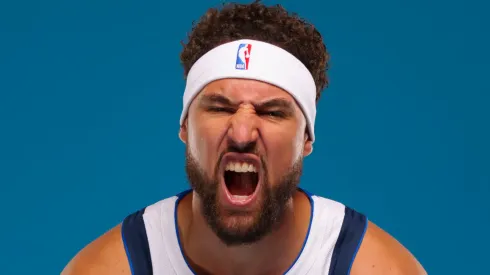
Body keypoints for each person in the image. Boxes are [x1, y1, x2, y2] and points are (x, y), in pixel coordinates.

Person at [62, 1, 427, 274]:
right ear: (185, 127)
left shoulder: (375, 267)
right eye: (220, 108)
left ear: (306, 140)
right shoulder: (109, 268)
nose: (241, 133)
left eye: (271, 112)